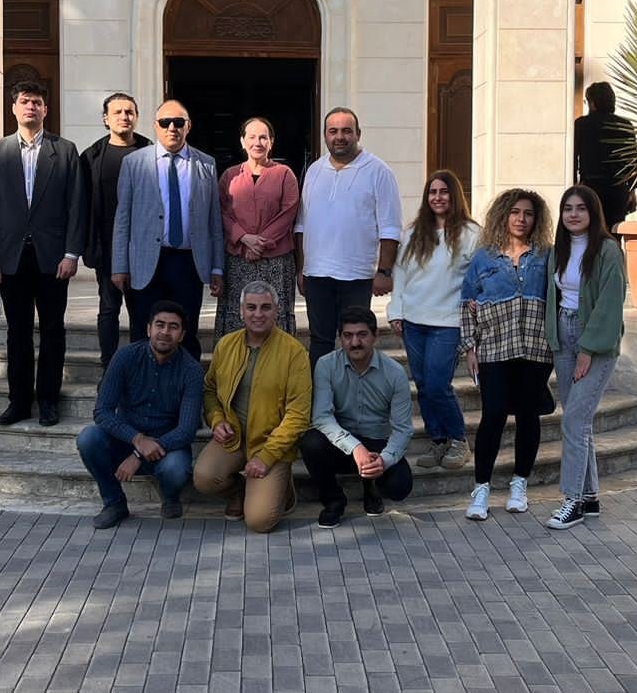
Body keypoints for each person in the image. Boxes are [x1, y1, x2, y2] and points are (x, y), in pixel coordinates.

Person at [0, 81, 87, 428]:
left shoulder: (65, 150)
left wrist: (72, 253)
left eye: (37, 102)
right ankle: (19, 402)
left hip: (53, 258)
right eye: (25, 101)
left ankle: (49, 400)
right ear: (14, 108)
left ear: (45, 110)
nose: (31, 107)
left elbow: (77, 206)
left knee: (53, 330)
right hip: (10, 258)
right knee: (18, 332)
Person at [460, 189, 554, 522]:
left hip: (535, 347)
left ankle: (519, 484)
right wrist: (469, 347)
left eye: (528, 213)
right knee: (494, 414)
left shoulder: (546, 256)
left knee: (528, 415)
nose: (521, 219)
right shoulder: (483, 258)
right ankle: (481, 488)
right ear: (503, 215)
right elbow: (466, 303)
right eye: (515, 212)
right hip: (494, 348)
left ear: (536, 219)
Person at [194, 280, 312, 533]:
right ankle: (239, 492)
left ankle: (283, 490)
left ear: (276, 311)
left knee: (260, 521)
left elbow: (298, 416)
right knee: (204, 478)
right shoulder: (226, 345)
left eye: (265, 307)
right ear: (241, 311)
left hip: (271, 443)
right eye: (251, 307)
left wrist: (266, 457)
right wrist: (217, 420)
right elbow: (210, 389)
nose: (258, 314)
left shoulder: (294, 352)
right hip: (233, 439)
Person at [111, 99, 225, 360]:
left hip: (188, 263)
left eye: (178, 122)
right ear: (155, 126)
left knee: (186, 332)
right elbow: (123, 217)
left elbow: (214, 221)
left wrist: (217, 267)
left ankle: (185, 384)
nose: (172, 127)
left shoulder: (206, 164)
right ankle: (143, 384)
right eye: (165, 122)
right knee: (143, 333)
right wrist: (119, 266)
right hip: (146, 263)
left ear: (188, 126)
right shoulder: (134, 162)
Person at [76, 301, 204, 529]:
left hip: (167, 445)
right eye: (160, 325)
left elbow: (187, 430)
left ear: (182, 335)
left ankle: (170, 496)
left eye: (173, 327)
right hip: (125, 439)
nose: (165, 332)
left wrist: (138, 455)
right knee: (88, 438)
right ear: (148, 329)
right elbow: (102, 411)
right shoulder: (125, 357)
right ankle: (114, 503)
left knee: (175, 469)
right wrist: (136, 439)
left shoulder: (191, 371)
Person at [543, 184, 628, 529]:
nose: (574, 214)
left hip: (595, 340)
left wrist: (588, 349)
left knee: (575, 421)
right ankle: (589, 496)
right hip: (563, 336)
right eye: (568, 208)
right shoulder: (559, 250)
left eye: (580, 208)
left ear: (593, 213)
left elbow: (610, 302)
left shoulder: (607, 250)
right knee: (578, 421)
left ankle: (572, 500)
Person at [295, 108, 404, 366]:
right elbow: (301, 225)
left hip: (357, 276)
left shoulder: (378, 171)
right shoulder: (314, 171)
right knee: (320, 342)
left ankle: (356, 392)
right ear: (325, 135)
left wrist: (384, 271)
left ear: (358, 134)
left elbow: (390, 228)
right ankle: (322, 392)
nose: (340, 137)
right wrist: (302, 269)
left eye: (346, 131)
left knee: (356, 342)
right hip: (317, 275)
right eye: (333, 131)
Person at [387, 169, 478, 471]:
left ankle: (459, 441)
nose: (438, 197)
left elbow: (477, 279)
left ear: (455, 195)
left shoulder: (471, 234)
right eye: (433, 192)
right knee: (424, 386)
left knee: (439, 385)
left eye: (444, 191)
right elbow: (401, 273)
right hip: (414, 320)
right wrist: (396, 311)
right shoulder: (412, 233)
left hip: (448, 322)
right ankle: (438, 441)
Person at [300, 306, 414, 528]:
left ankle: (372, 487)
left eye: (362, 335)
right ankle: (333, 501)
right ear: (340, 338)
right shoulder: (326, 365)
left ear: (375, 336)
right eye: (348, 335)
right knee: (310, 442)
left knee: (399, 487)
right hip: (341, 444)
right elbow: (322, 418)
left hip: (377, 443)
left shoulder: (394, 373)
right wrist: (355, 448)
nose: (355, 342)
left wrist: (384, 461)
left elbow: (403, 429)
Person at [81, 93, 153, 366]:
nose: (124, 117)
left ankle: (138, 367)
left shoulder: (150, 152)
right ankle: (109, 369)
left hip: (142, 248)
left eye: (129, 112)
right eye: (118, 112)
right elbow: (82, 204)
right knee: (109, 310)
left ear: (136, 117)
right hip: (106, 248)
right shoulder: (91, 157)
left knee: (141, 312)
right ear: (106, 119)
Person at [216, 117, 300, 338]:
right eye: (252, 137)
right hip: (238, 259)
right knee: (238, 315)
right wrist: (244, 238)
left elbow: (289, 212)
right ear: (242, 142)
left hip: (276, 259)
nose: (257, 142)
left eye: (263, 137)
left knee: (274, 314)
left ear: (271, 142)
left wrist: (260, 243)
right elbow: (221, 212)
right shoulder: (229, 176)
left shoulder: (284, 174)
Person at [573, 82, 637, 231]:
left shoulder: (581, 124)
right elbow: (632, 160)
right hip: (618, 188)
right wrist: (632, 189)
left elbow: (574, 156)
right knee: (614, 231)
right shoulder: (625, 125)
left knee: (591, 230)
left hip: (591, 184)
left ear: (592, 102)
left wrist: (574, 182)